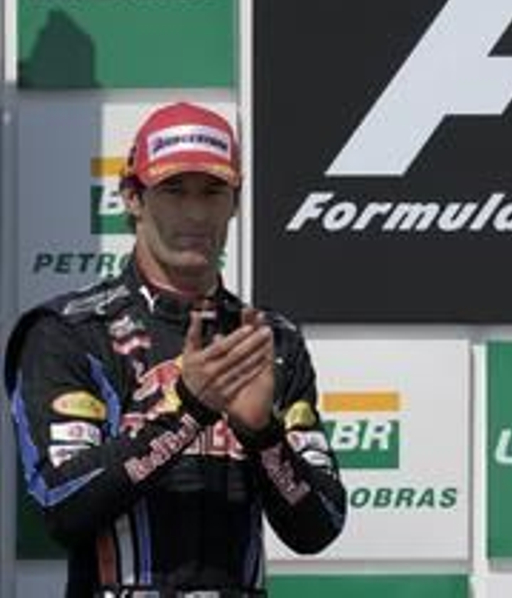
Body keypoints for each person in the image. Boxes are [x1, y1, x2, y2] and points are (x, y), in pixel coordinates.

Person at [5, 102, 346, 597]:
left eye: (212, 192)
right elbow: (62, 505)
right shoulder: (70, 333)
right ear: (133, 197)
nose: (195, 213)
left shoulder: (267, 340)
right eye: (173, 190)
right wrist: (187, 412)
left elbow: (319, 526)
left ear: (235, 201)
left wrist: (262, 435)